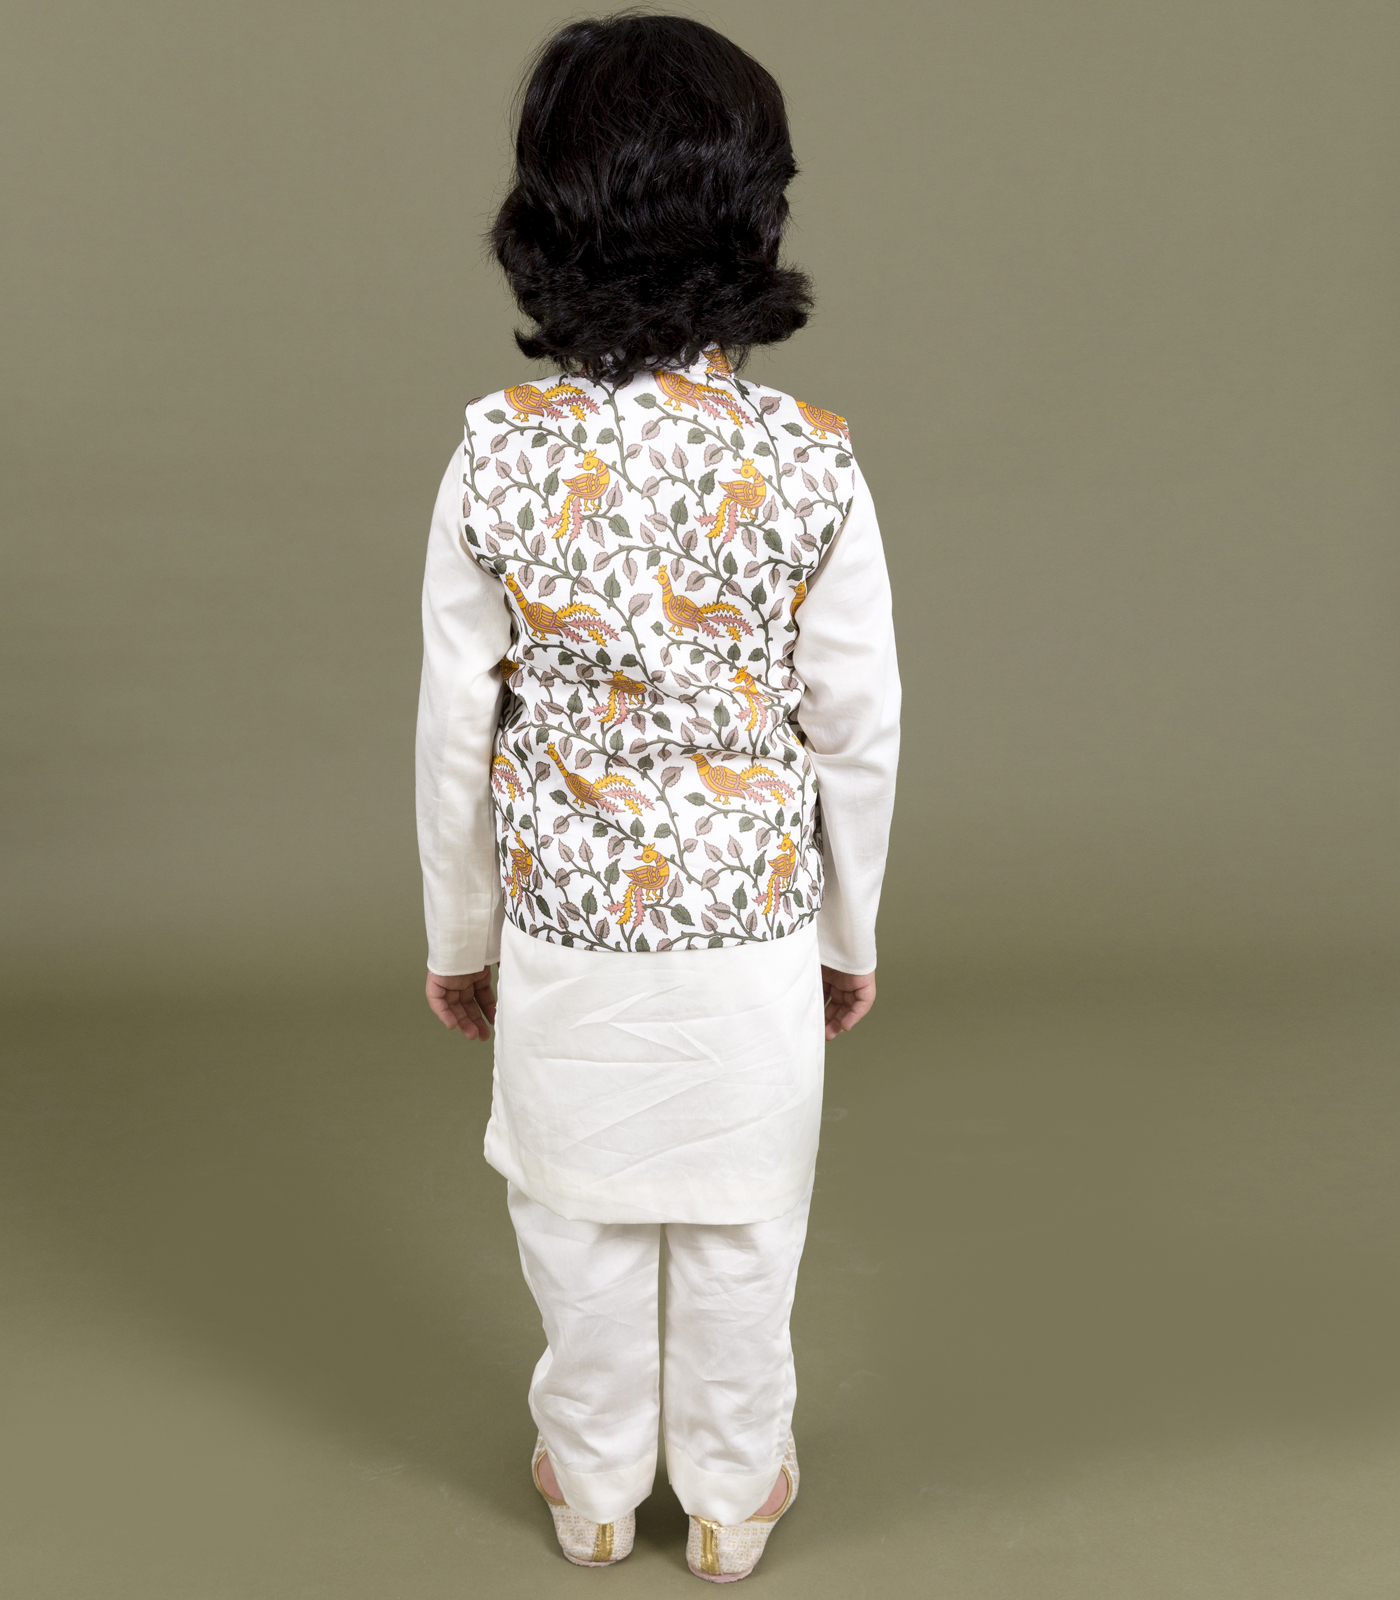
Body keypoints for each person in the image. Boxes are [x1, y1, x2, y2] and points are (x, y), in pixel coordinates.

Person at [415, 13, 899, 1582]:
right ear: (759, 215)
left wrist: (461, 935)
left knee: (578, 1213)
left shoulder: (495, 458)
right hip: (750, 928)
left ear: (542, 220)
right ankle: (737, 1489)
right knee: (748, 1219)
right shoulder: (814, 465)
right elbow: (858, 728)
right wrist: (844, 931)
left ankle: (596, 1480)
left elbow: (454, 730)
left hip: (569, 929)